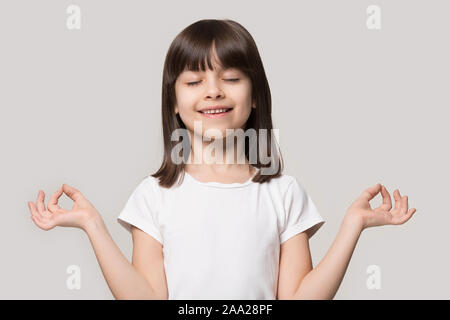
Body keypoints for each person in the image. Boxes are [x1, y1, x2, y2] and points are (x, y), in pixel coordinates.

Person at [27, 19, 416, 300]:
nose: (212, 91)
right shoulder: (154, 195)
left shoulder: (284, 192)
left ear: (256, 94)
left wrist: (354, 224)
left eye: (230, 78)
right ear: (175, 104)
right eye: (194, 82)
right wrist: (92, 224)